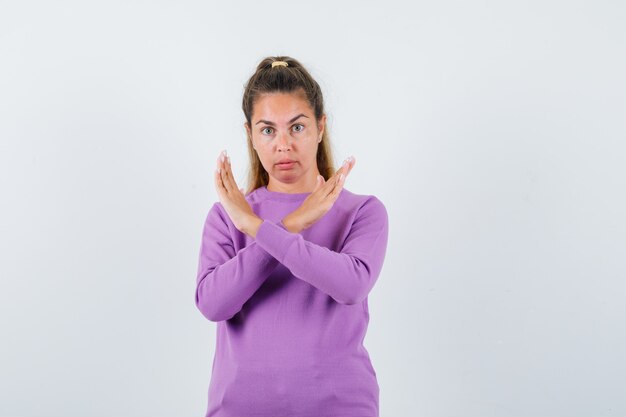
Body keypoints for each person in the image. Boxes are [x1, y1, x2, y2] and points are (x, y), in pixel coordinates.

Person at [195, 56, 389, 417]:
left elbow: (351, 285)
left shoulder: (362, 211)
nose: (282, 144)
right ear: (250, 135)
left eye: (296, 128)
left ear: (320, 127)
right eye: (268, 130)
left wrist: (257, 228)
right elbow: (212, 304)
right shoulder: (226, 215)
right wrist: (291, 225)